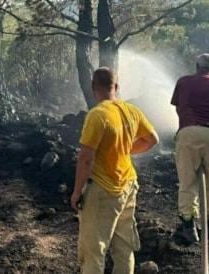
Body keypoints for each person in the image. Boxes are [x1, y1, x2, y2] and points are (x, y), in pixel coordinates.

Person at [70, 67, 160, 274]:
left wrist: (76, 193)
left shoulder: (97, 115)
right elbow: (152, 140)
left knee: (94, 250)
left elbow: (85, 160)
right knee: (124, 247)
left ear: (94, 87)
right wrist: (124, 151)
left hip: (103, 189)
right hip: (128, 185)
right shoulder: (132, 111)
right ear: (117, 87)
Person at [170, 53, 209, 244]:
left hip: (190, 133)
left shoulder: (184, 81)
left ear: (196, 66)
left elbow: (178, 107)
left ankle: (188, 225)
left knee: (188, 181)